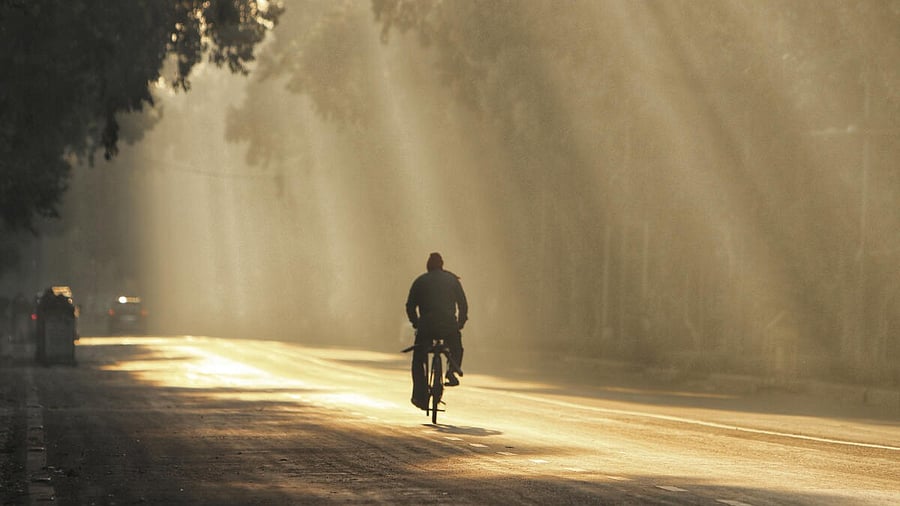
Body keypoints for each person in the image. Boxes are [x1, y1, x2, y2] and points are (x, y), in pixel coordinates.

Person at [405, 252, 468, 410]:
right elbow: (463, 304)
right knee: (456, 347)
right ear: (442, 265)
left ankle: (420, 396)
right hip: (449, 326)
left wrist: (416, 323)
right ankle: (452, 371)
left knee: (419, 358)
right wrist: (460, 323)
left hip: (426, 327)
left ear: (428, 266)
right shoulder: (452, 280)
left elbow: (410, 306)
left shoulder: (420, 281)